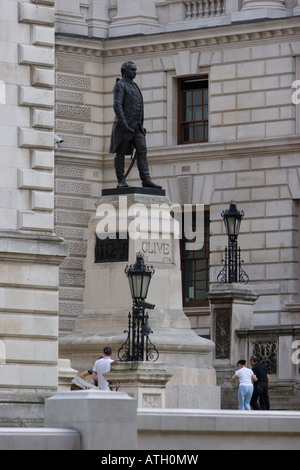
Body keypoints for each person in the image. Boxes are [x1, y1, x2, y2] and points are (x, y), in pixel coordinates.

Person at [110, 61, 162, 190]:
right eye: (132, 70)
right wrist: (124, 123)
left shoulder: (135, 86)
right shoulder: (120, 85)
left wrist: (140, 125)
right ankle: (121, 180)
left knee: (142, 150)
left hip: (137, 127)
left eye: (135, 69)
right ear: (125, 71)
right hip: (124, 126)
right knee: (121, 153)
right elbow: (117, 105)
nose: (135, 72)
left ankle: (146, 179)